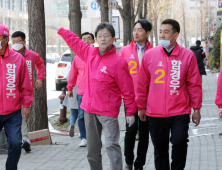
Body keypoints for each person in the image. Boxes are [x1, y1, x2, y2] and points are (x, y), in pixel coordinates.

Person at [48, 21, 137, 170]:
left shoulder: (119, 62)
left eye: (106, 36)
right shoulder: (89, 54)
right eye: (100, 36)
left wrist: (130, 112)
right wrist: (60, 29)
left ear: (113, 39)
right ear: (95, 39)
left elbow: (128, 90)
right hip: (89, 109)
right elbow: (74, 41)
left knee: (111, 146)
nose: (103, 39)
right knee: (92, 149)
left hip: (107, 111)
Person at [137, 19, 202, 170]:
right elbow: (142, 84)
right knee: (160, 150)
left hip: (180, 111)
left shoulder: (187, 56)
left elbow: (194, 85)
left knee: (179, 143)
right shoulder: (149, 55)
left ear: (176, 35)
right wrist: (141, 106)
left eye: (166, 32)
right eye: (160, 32)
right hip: (155, 112)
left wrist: (196, 109)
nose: (162, 35)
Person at [119, 19, 152, 170]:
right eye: (134, 30)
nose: (136, 33)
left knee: (144, 133)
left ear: (148, 33)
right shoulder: (125, 51)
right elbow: (118, 73)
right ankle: (128, 161)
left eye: (140, 30)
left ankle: (140, 164)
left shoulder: (154, 51)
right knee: (130, 131)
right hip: (130, 98)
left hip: (149, 99)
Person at [0, 24, 33, 170]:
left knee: (15, 143)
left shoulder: (18, 59)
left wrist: (26, 105)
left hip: (13, 112)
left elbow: (25, 85)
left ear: (5, 39)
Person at [11, 31, 46, 152]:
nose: (15, 44)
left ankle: (23, 140)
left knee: (23, 115)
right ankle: (24, 140)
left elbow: (40, 65)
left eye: (18, 41)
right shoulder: (8, 55)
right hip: (11, 91)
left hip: (26, 90)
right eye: (13, 41)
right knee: (17, 115)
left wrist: (40, 79)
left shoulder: (32, 55)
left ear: (24, 42)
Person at [66, 32, 95, 147]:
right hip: (82, 92)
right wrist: (70, 88)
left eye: (89, 39)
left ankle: (95, 137)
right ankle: (83, 138)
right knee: (81, 115)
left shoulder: (97, 55)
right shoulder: (77, 58)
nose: (87, 41)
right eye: (84, 39)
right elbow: (73, 74)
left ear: (93, 41)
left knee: (96, 116)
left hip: (96, 92)